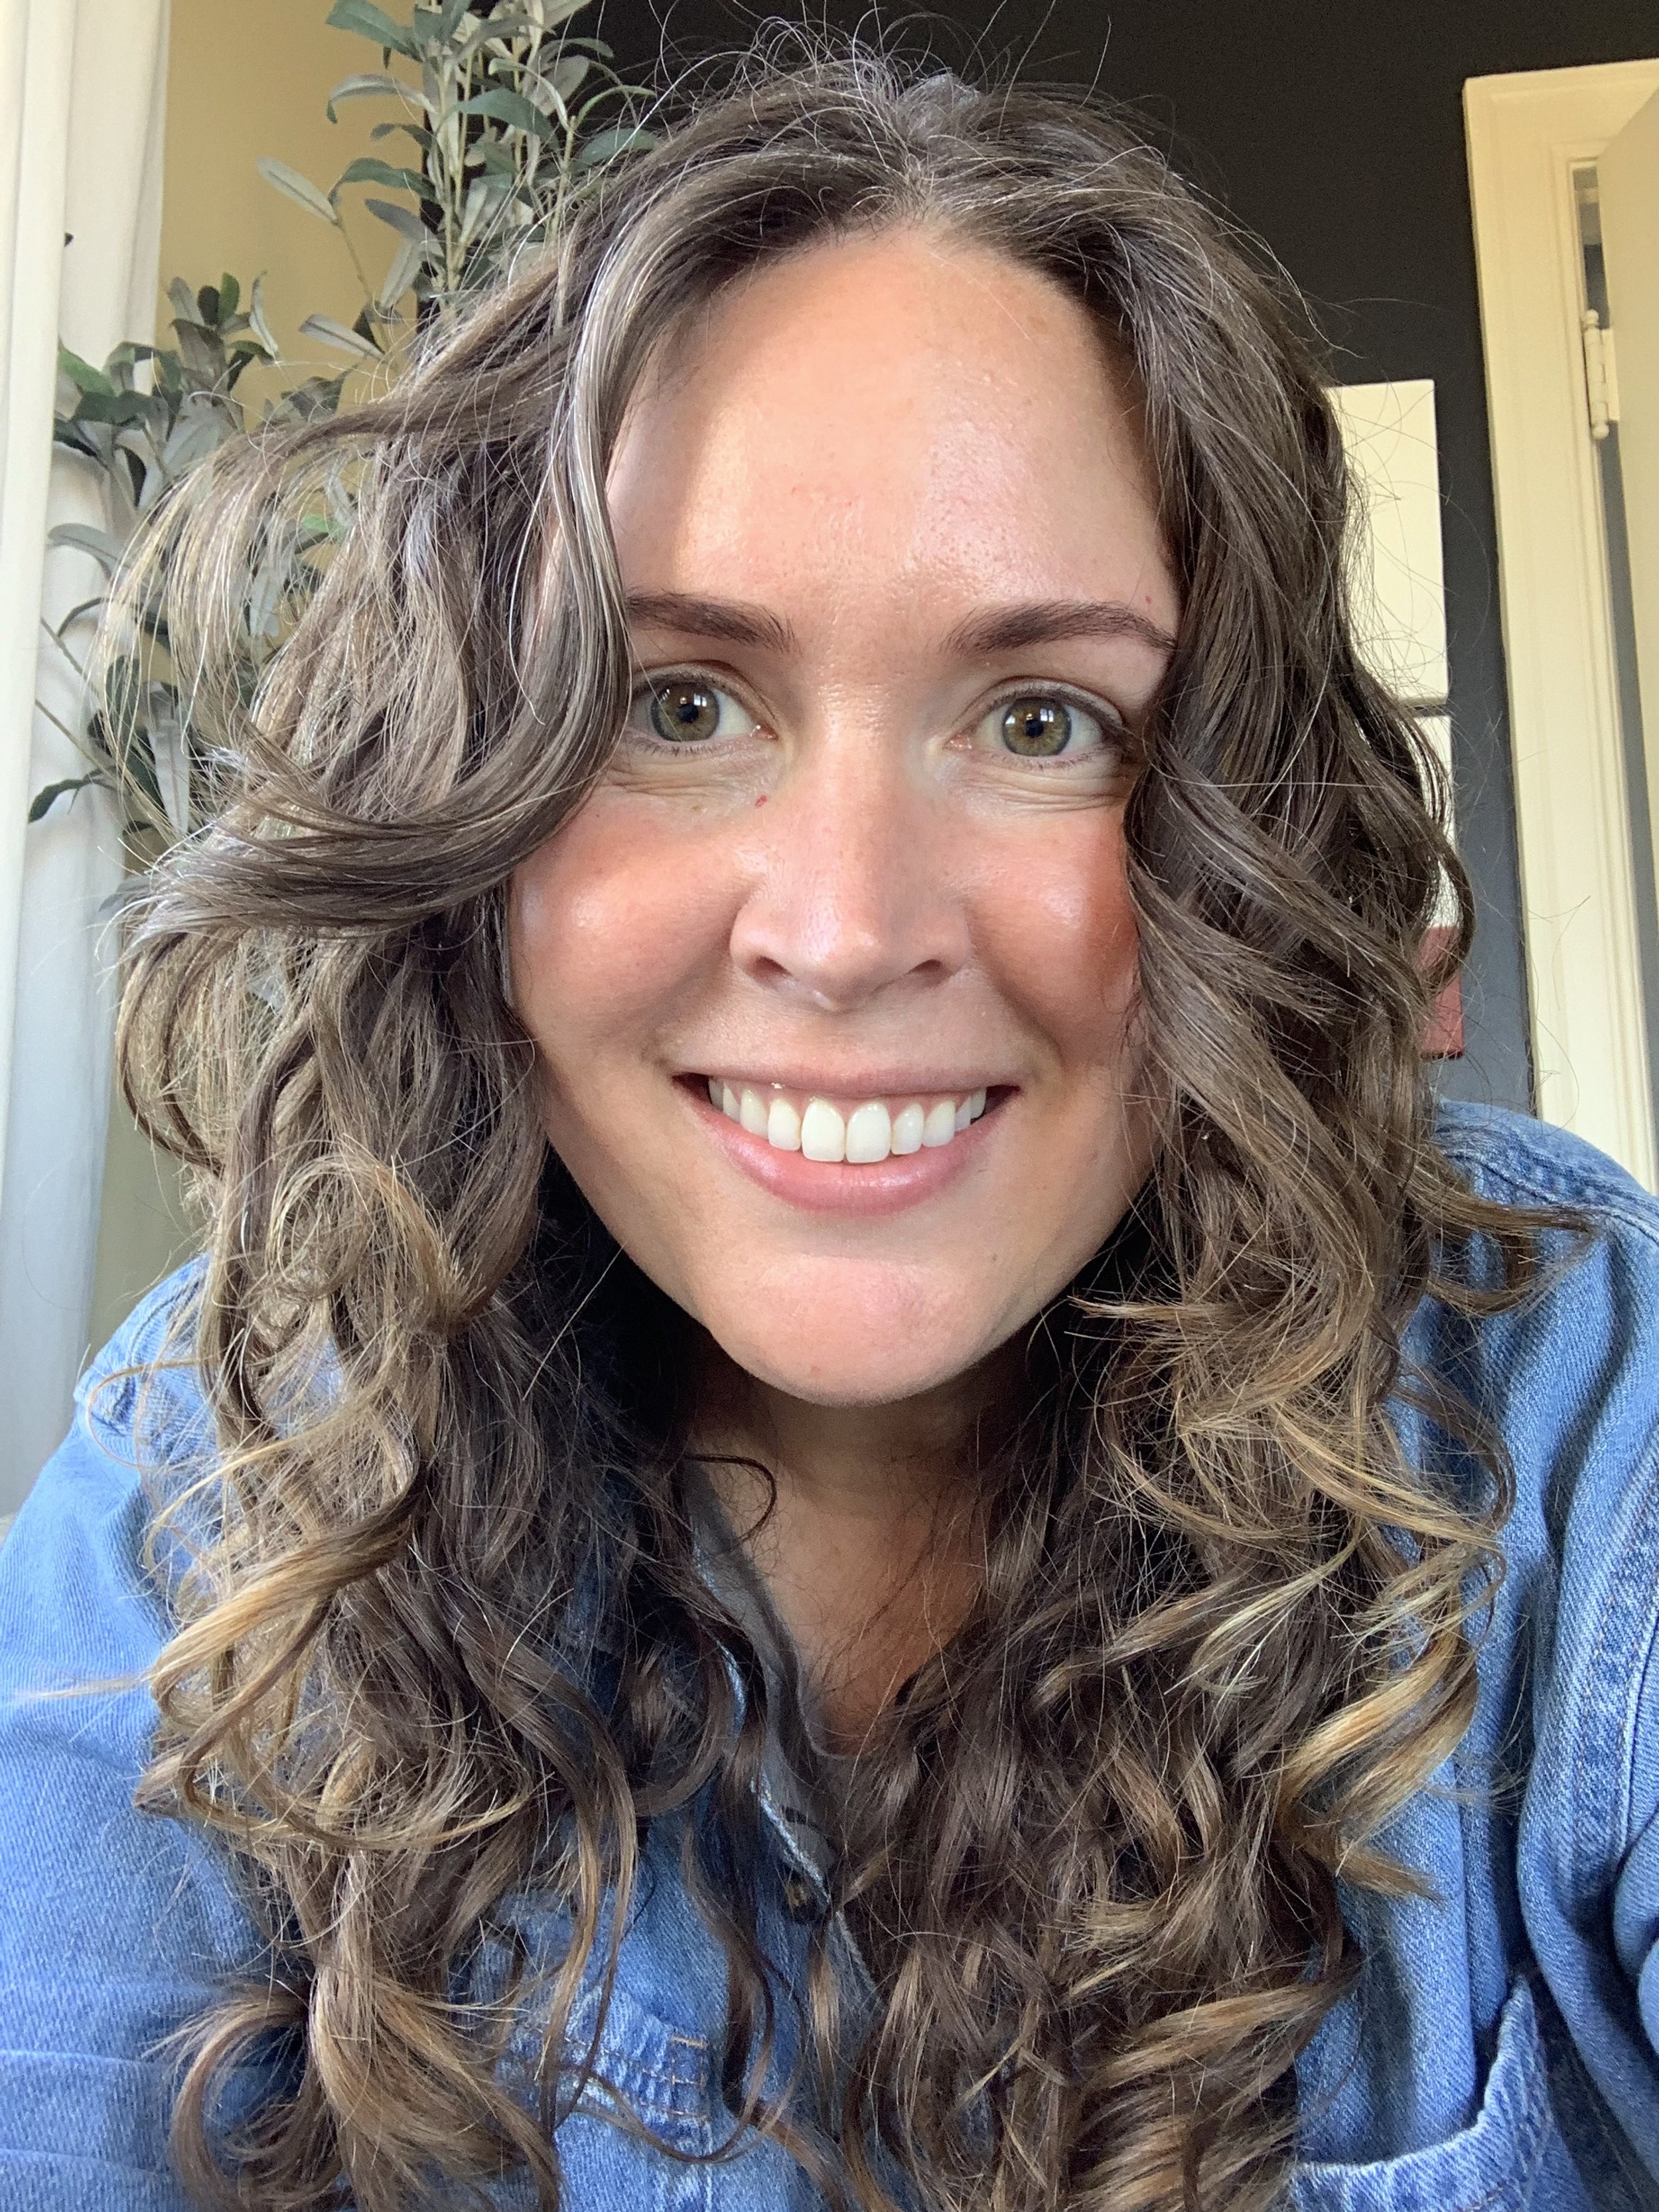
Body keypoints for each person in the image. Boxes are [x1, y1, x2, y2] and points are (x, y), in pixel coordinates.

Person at [3, 37, 1658, 2212]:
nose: (850, 929)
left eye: (1042, 719)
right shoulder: (216, 1477)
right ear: (466, 806)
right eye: (676, 703)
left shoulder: (1573, 1405)